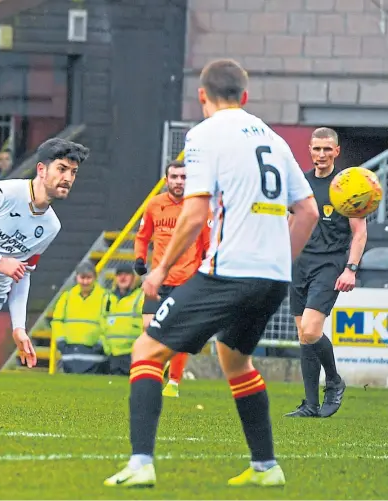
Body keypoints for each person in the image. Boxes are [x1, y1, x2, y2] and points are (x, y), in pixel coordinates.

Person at [104, 58, 319, 489]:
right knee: (235, 360)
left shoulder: (204, 135)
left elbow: (195, 212)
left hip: (229, 272)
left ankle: (141, 463)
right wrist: (278, 261)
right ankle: (266, 467)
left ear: (202, 96)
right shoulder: (275, 139)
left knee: (146, 350)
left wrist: (160, 269)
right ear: (245, 96)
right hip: (273, 278)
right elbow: (308, 211)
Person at [0, 138, 89, 369]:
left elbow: (23, 274)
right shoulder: (2, 192)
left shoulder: (52, 226)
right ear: (41, 169)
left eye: (73, 172)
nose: (68, 178)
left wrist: (19, 327)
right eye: (62, 169)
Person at [284, 127, 367, 419]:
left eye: (327, 149)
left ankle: (333, 381)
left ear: (336, 151)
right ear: (309, 150)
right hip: (300, 265)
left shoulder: (347, 186)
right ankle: (309, 404)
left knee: (310, 330)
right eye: (316, 149)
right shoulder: (300, 184)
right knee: (304, 336)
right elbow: (291, 223)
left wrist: (351, 269)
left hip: (330, 266)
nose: (321, 154)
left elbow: (359, 233)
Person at [134, 160, 211, 397]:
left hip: (187, 280)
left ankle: (174, 383)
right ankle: (161, 366)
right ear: (166, 179)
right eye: (175, 176)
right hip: (158, 279)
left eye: (184, 177)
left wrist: (207, 272)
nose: (179, 181)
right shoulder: (155, 205)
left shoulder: (199, 208)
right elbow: (142, 236)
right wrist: (139, 258)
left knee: (178, 333)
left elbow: (208, 245)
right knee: (149, 327)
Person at [52, 261, 108, 375]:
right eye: (82, 277)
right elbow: (57, 320)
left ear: (95, 278)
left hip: (95, 353)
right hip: (70, 353)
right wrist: (61, 341)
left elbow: (109, 322)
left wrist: (101, 343)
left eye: (89, 278)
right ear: (76, 278)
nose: (85, 281)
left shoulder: (105, 297)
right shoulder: (67, 297)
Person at [101, 264, 144, 376]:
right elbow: (102, 323)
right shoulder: (108, 298)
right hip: (113, 354)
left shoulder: (141, 296)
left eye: (126, 274)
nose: (122, 278)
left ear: (133, 278)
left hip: (134, 354)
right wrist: (107, 347)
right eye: (119, 275)